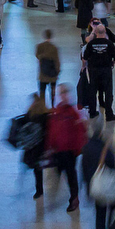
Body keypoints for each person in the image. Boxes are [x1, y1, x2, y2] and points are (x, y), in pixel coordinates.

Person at [46, 82, 87, 211]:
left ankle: (74, 198)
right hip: (58, 151)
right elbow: (52, 130)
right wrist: (50, 146)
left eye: (64, 92)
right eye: (60, 93)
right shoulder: (57, 110)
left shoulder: (73, 111)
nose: (62, 95)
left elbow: (81, 131)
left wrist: (77, 150)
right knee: (57, 175)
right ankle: (54, 198)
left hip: (69, 152)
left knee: (70, 176)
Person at [81, 22, 115, 121]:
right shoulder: (109, 44)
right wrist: (112, 63)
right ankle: (109, 114)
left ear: (96, 32)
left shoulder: (91, 44)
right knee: (108, 92)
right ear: (105, 32)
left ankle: (93, 112)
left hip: (93, 71)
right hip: (106, 70)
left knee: (92, 91)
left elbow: (85, 57)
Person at [36, 28, 60, 104]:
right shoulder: (54, 48)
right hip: (52, 74)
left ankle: (42, 107)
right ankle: (52, 105)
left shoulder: (39, 46)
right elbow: (57, 61)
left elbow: (37, 55)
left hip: (43, 73)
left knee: (42, 91)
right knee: (52, 91)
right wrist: (58, 71)